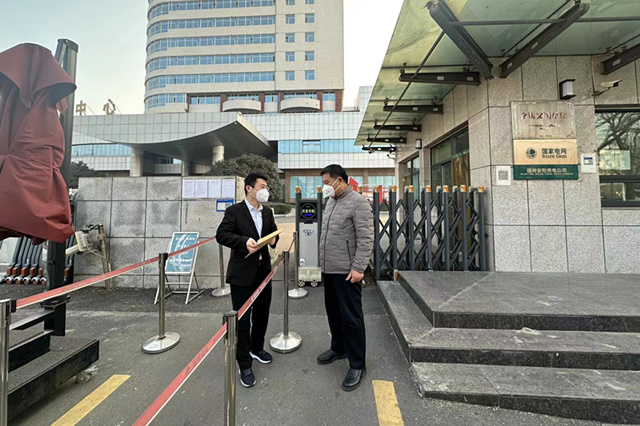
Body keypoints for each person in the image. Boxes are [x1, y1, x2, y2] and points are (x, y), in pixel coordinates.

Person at [216, 172, 279, 388]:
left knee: (262, 314)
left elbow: (273, 233)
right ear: (249, 189)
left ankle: (257, 348)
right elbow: (222, 235)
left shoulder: (267, 212)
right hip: (242, 274)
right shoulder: (234, 211)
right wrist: (244, 242)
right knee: (242, 320)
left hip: (263, 271)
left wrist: (273, 240)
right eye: (262, 186)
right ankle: (244, 364)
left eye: (266, 187)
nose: (265, 190)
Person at [317, 164, 373, 391]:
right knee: (334, 313)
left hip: (348, 272)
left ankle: (358, 364)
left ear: (339, 181)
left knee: (351, 318)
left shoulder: (358, 202)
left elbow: (366, 238)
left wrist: (359, 268)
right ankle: (338, 348)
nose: (325, 187)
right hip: (329, 269)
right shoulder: (331, 201)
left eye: (327, 182)